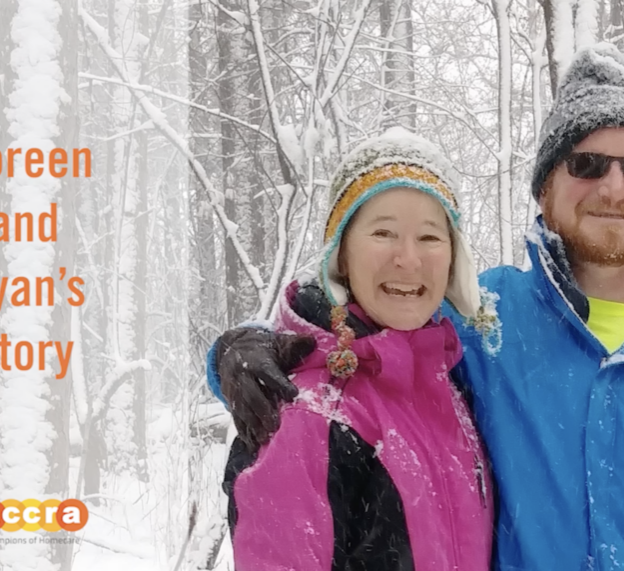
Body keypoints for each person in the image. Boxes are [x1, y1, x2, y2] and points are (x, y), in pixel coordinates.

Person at [209, 43, 624, 571]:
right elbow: (365, 340)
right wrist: (248, 350)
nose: (615, 187)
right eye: (587, 164)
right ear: (544, 189)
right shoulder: (483, 323)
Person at [207, 128, 494, 570]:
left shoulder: (448, 381)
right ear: (340, 255)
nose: (408, 259)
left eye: (431, 237)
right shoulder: (309, 417)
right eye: (383, 232)